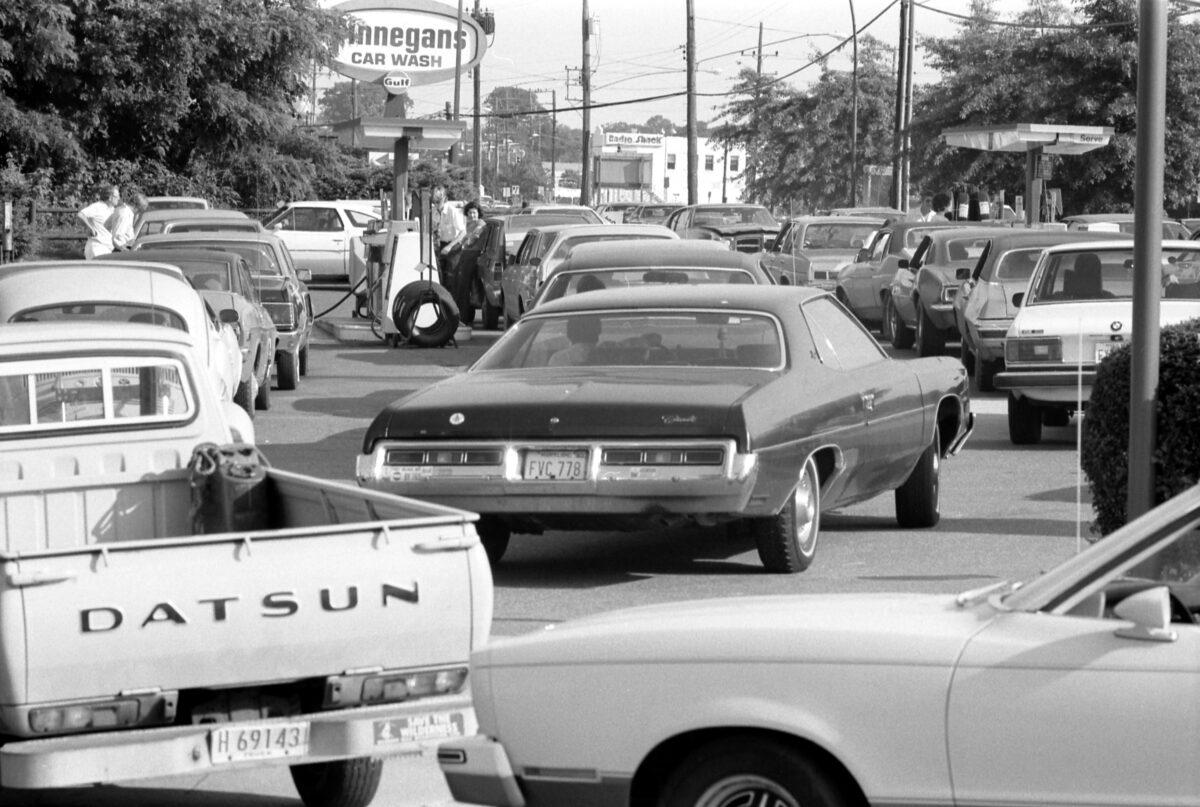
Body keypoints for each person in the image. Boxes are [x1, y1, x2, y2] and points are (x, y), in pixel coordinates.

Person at [77, 184, 120, 259]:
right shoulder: (97, 206)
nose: (119, 198)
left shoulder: (113, 209)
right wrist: (90, 228)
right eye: (117, 196)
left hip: (107, 248)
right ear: (110, 197)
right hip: (97, 247)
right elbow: (80, 215)